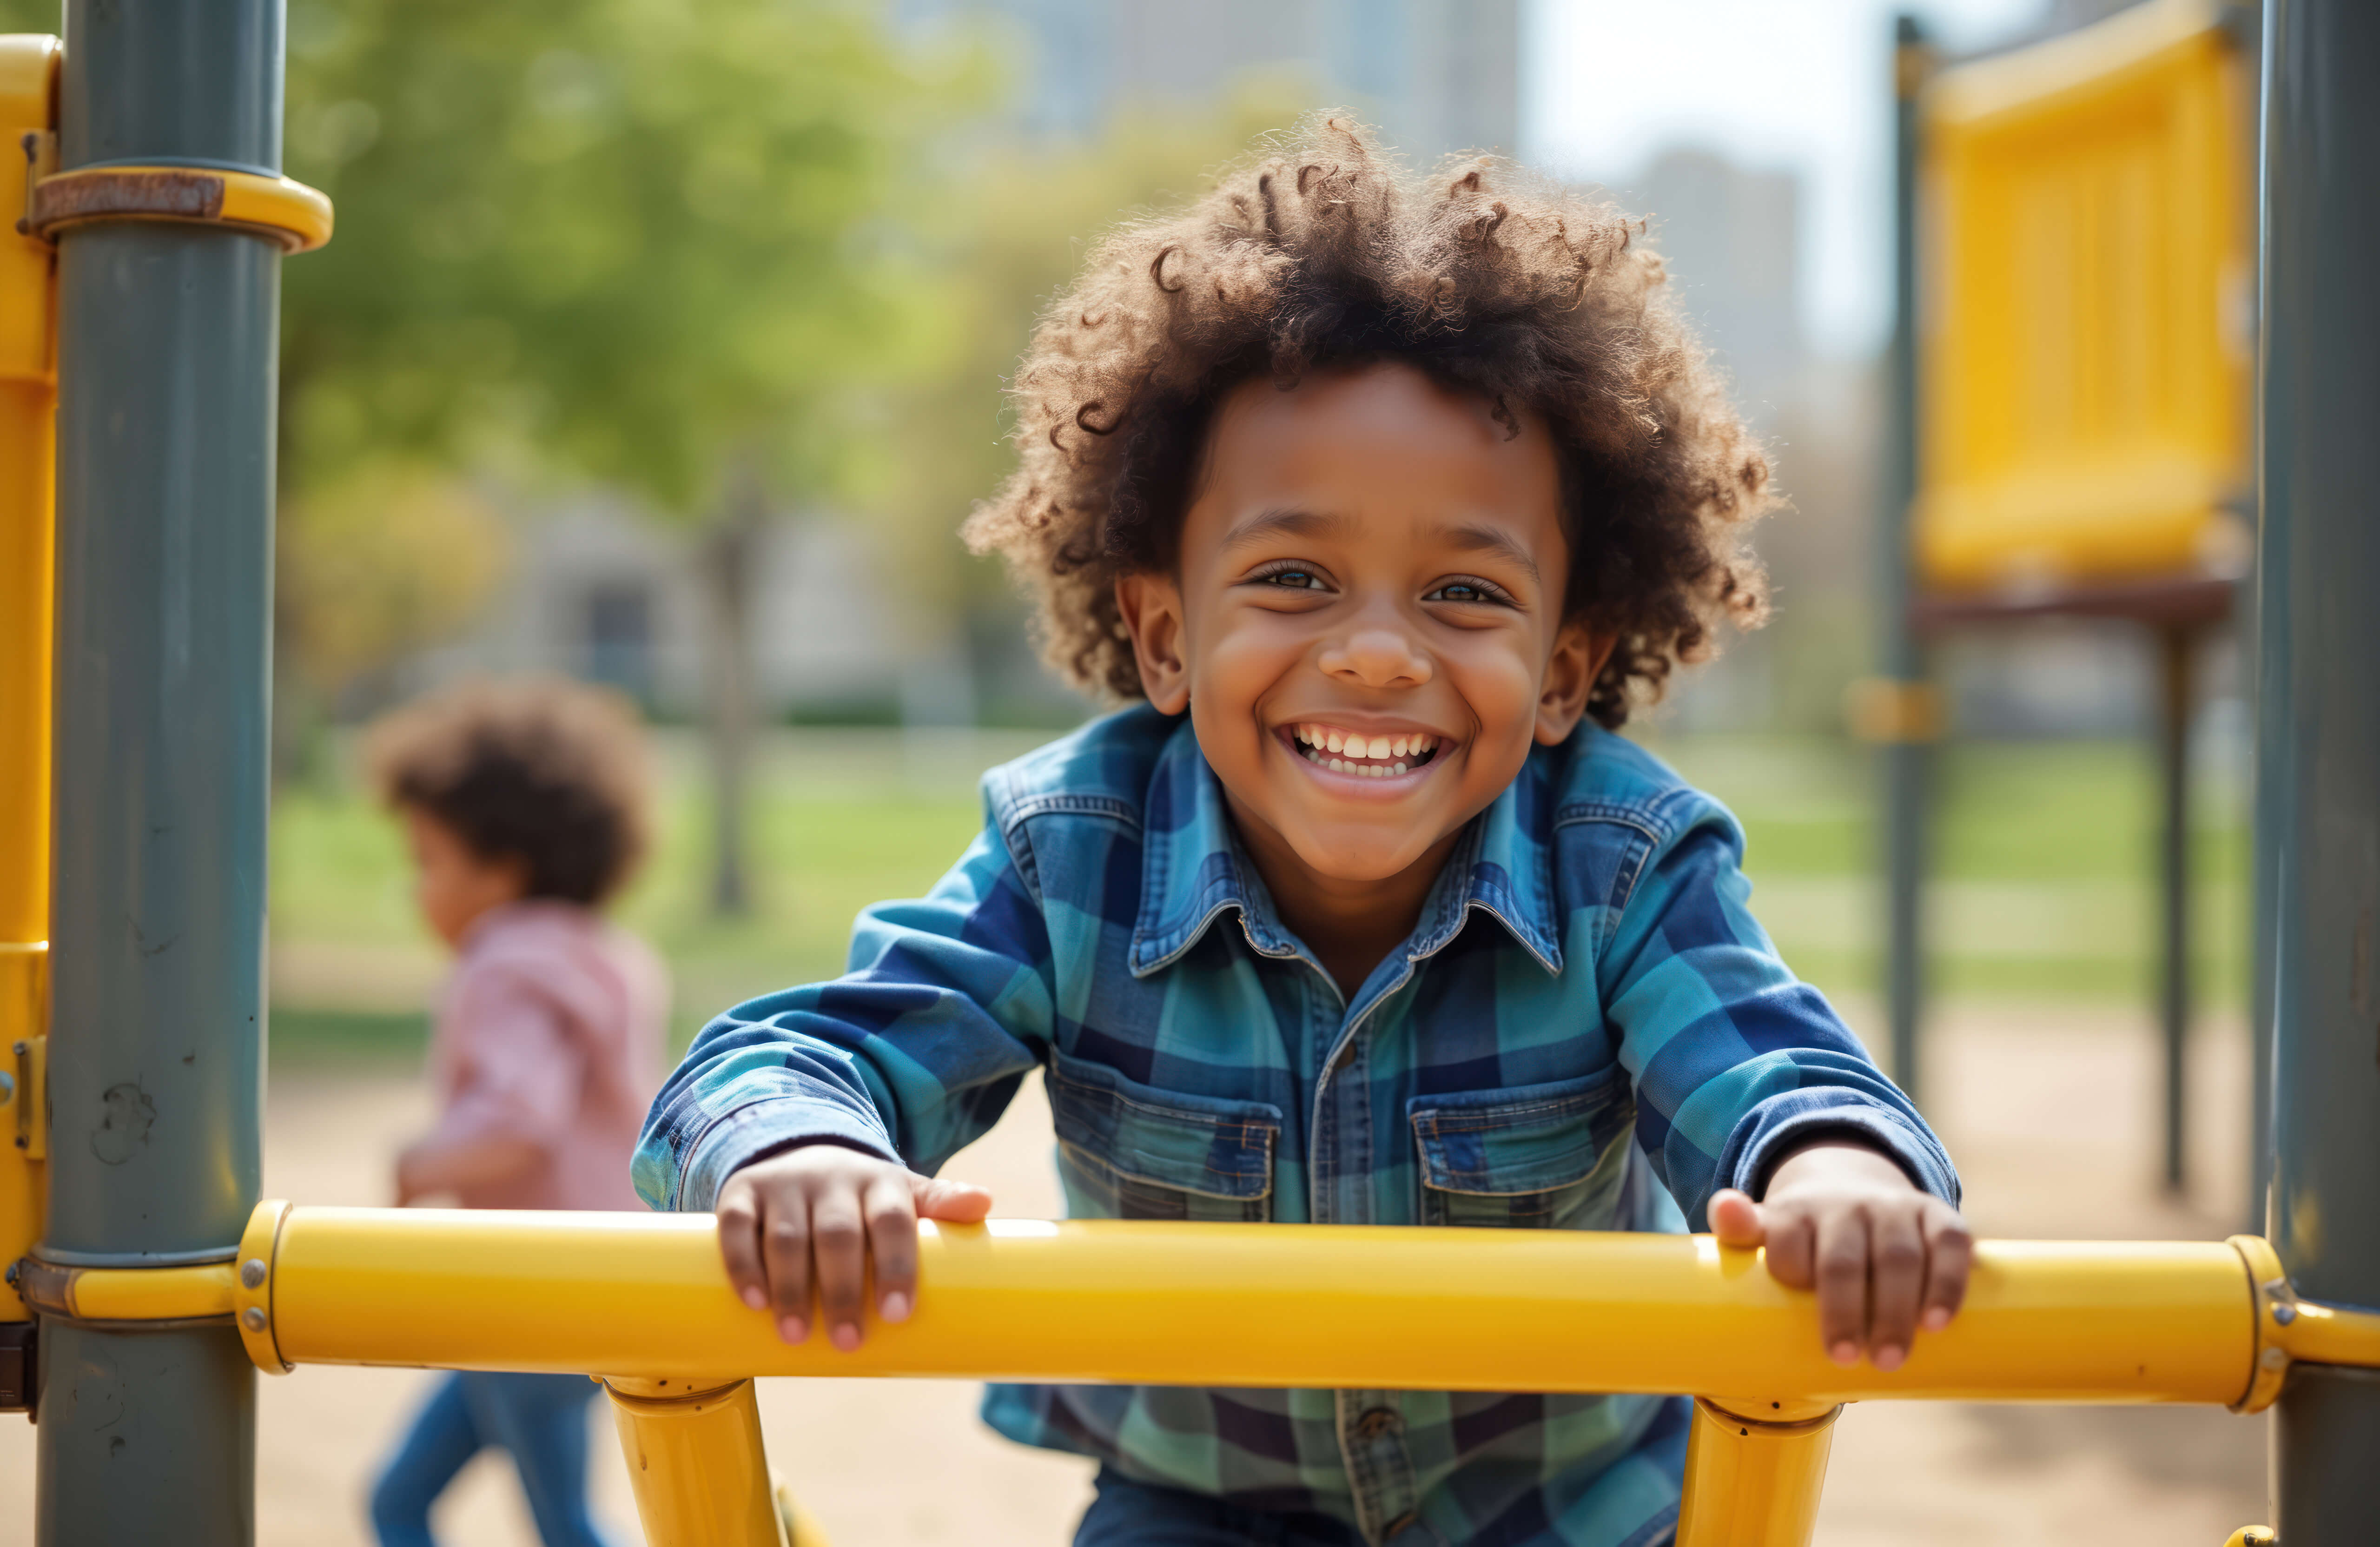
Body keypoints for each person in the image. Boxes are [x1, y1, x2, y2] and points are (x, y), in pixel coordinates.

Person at [636, 118, 1968, 1547]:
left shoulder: (1623, 864)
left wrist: (1834, 1168)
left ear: (1569, 667)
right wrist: (802, 1153)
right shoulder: (1071, 854)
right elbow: (801, 1055)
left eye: (1466, 594)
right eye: (1292, 576)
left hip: (1567, 1509)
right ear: (1164, 635)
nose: (1381, 654)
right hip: (1205, 1509)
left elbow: (1770, 1065)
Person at [364, 678, 664, 1547]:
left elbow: (516, 1119)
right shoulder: (607, 953)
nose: (417, 890)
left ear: (503, 868)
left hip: (534, 1293)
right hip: (587, 1286)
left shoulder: (505, 963)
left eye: (428, 862)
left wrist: (419, 1163)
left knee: (561, 1525)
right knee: (398, 1498)